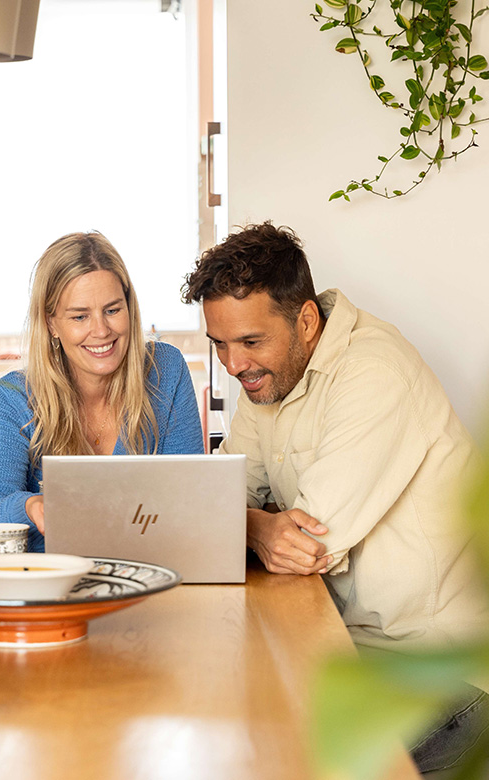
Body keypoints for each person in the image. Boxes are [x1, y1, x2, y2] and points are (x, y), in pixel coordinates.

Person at [182, 221, 489, 773]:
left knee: (275, 757)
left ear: (305, 321)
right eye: (220, 345)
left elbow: (303, 546)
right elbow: (212, 498)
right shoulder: (270, 377)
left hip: (440, 674)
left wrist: (256, 526)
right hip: (349, 650)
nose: (233, 365)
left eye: (250, 342)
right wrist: (259, 525)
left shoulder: (373, 371)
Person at [0, 231, 204, 553]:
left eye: (113, 310)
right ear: (51, 324)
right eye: (79, 316)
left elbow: (190, 503)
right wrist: (32, 507)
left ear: (129, 307)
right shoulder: (12, 398)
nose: (101, 331)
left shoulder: (165, 370)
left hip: (150, 576)